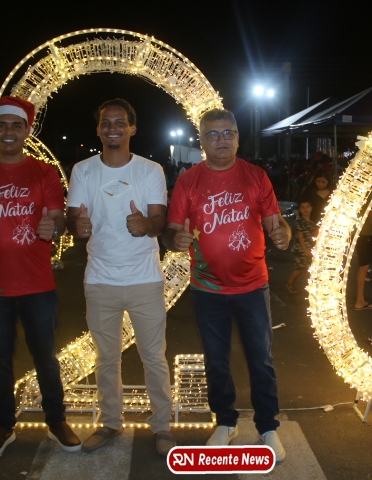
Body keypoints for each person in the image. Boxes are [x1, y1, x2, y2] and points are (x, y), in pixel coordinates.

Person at [0, 96, 80, 460]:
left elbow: (58, 219)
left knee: (46, 358)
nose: (9, 132)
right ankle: (3, 426)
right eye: (1, 125)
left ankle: (56, 421)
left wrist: (53, 227)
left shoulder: (43, 172)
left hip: (38, 285)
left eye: (16, 126)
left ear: (27, 131)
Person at [163, 108, 291, 462]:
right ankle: (225, 421)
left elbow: (276, 223)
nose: (221, 140)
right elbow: (172, 231)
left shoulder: (256, 176)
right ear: (201, 141)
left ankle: (268, 426)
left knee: (260, 359)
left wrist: (283, 234)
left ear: (238, 138)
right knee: (216, 360)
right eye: (213, 134)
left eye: (228, 133)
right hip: (207, 289)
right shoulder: (189, 181)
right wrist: (175, 240)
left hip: (253, 287)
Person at [65, 99, 175, 456]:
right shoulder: (83, 170)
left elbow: (160, 220)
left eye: (120, 122)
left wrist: (146, 225)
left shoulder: (150, 170)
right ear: (98, 129)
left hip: (144, 278)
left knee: (154, 357)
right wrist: (77, 227)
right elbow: (73, 219)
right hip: (100, 279)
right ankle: (111, 422)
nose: (112, 128)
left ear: (132, 128)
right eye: (106, 122)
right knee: (106, 358)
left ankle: (162, 426)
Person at [354, 204, 372, 309]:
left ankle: (360, 300)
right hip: (365, 234)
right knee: (364, 266)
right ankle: (359, 301)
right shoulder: (370, 195)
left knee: (364, 266)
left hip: (359, 232)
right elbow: (371, 214)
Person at [286, 198, 315, 293]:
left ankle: (311, 286)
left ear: (311, 208)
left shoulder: (312, 223)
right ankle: (290, 282)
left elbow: (314, 235)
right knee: (301, 268)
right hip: (300, 250)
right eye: (303, 207)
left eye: (307, 207)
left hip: (310, 249)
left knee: (308, 267)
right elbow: (300, 237)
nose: (305, 209)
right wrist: (305, 250)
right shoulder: (300, 222)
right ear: (300, 210)